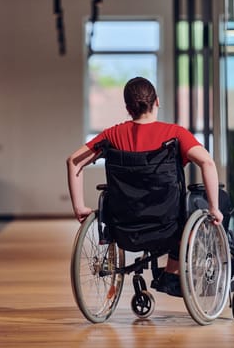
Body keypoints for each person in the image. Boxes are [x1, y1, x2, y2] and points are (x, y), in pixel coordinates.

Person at [67, 76, 223, 297]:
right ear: (156, 101)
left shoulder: (112, 135)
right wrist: (214, 208)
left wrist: (79, 206)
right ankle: (171, 273)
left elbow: (73, 161)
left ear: (128, 108)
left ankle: (168, 274)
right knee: (192, 207)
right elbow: (207, 162)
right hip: (168, 226)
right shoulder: (175, 134)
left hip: (123, 227)